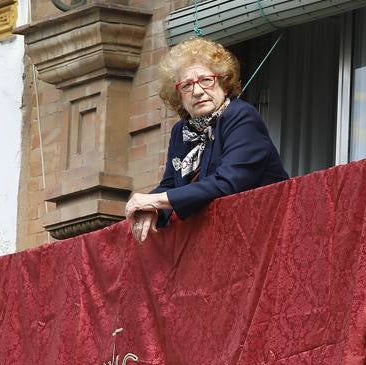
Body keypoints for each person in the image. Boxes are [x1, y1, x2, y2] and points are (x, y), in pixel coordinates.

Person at [124, 38, 289, 243]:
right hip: (217, 242)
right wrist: (153, 210)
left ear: (223, 83)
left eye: (206, 80)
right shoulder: (181, 131)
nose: (198, 91)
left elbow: (227, 183)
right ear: (178, 96)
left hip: (265, 237)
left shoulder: (241, 116)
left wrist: (156, 201)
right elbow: (169, 185)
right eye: (186, 85)